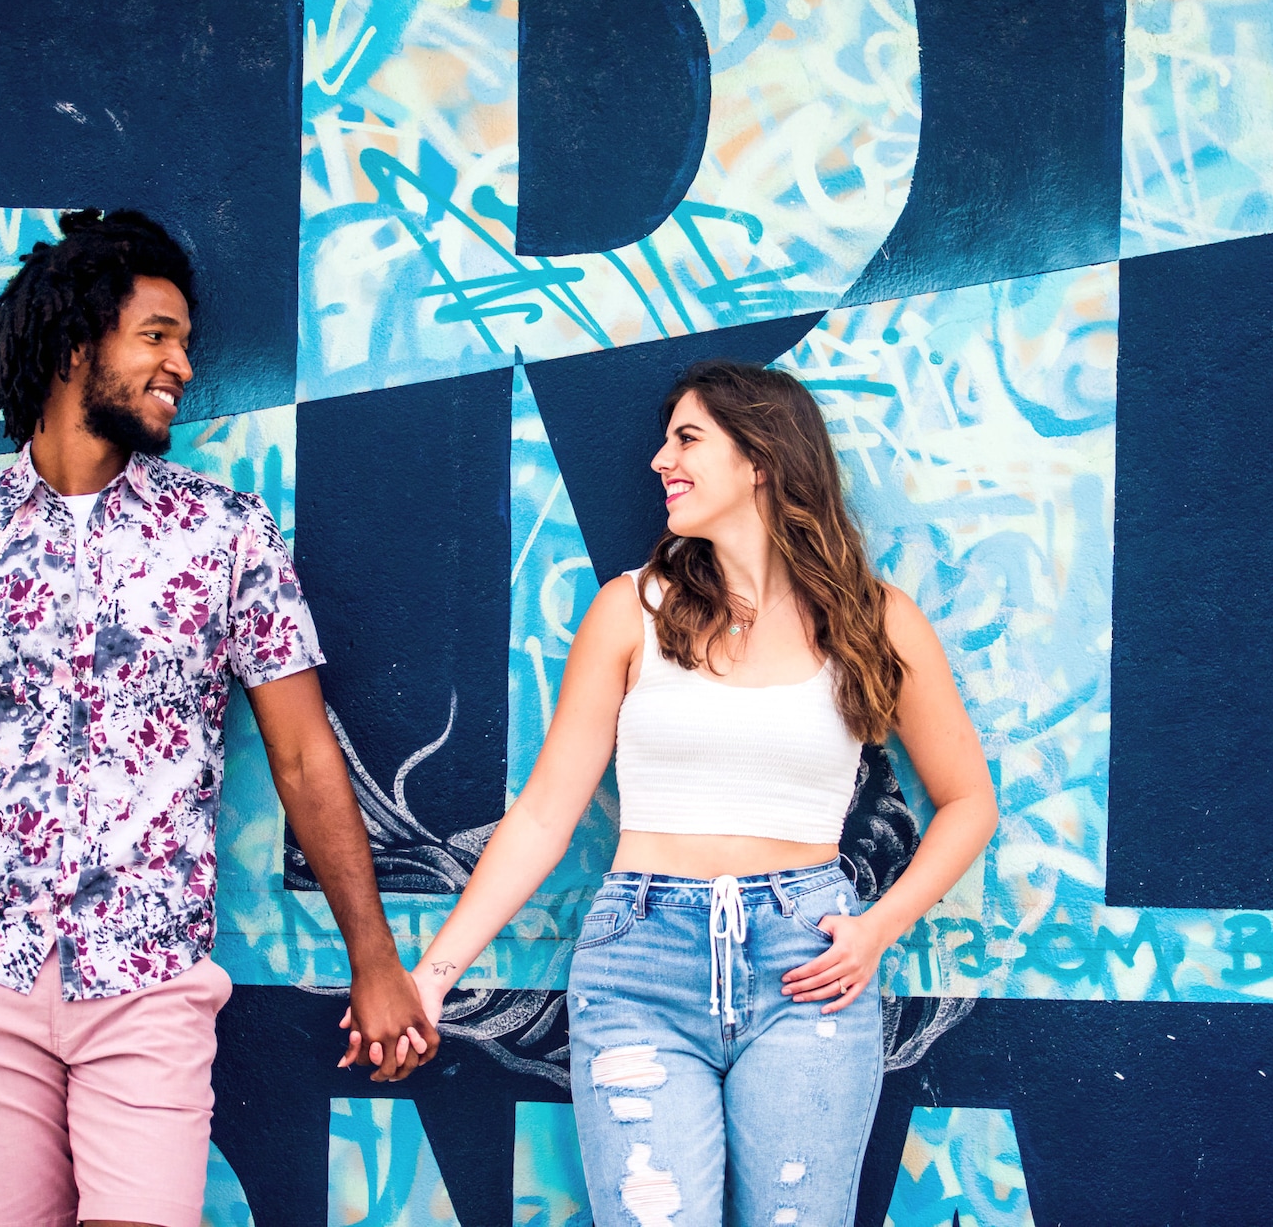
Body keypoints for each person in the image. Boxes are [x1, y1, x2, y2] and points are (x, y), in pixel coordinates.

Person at [0, 209, 435, 1227]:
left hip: (147, 980)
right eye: (158, 335)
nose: (180, 363)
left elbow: (304, 756)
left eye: (185, 342)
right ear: (79, 338)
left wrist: (375, 958)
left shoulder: (224, 531)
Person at [387, 359, 1000, 1226]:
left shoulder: (877, 618)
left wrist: (877, 930)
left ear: (761, 457)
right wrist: (435, 974)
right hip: (641, 963)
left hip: (807, 968)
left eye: (686, 438)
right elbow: (542, 814)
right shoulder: (629, 610)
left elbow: (969, 799)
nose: (658, 462)